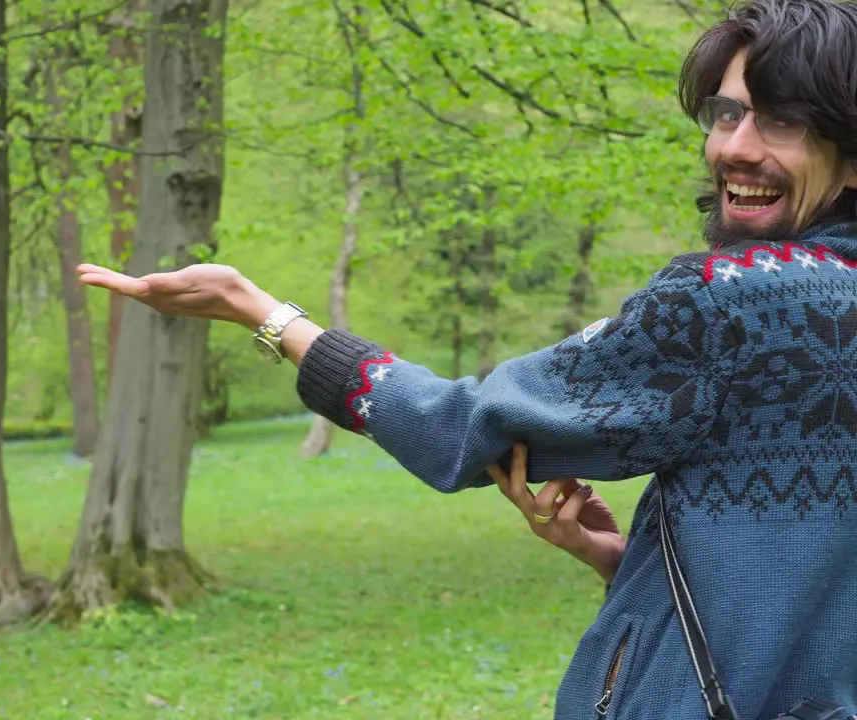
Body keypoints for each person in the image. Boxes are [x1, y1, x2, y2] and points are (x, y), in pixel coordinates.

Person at [78, 0, 857, 717]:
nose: (735, 147)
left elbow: (460, 427)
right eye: (728, 113)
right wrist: (632, 563)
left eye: (781, 122)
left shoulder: (734, 301)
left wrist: (263, 312)